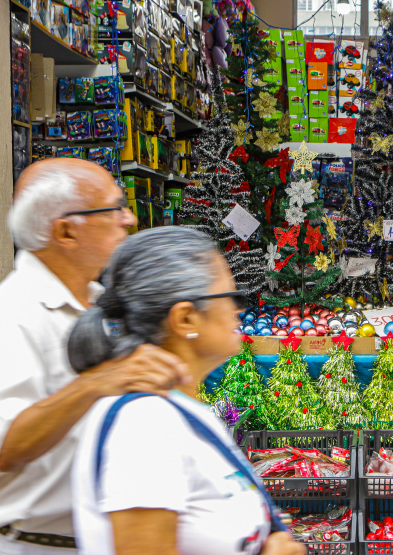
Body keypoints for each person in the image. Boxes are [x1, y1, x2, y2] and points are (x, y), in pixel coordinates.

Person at [0, 159, 190, 554]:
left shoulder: (99, 304)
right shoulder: (10, 317)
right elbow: (1, 450)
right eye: (114, 208)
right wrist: (98, 382)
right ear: (66, 230)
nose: (129, 219)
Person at [69, 227, 306, 555]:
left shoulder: (181, 408)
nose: (240, 310)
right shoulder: (143, 425)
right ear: (185, 319)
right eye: (229, 297)